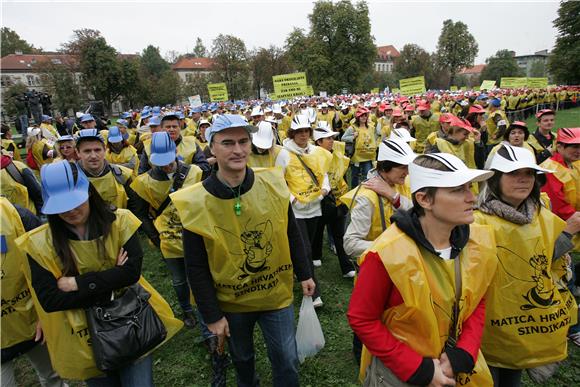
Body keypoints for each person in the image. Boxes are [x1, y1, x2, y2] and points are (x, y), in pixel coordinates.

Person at [171, 114, 315, 387]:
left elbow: (291, 232)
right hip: (232, 302)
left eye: (243, 141)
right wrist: (212, 316)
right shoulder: (195, 202)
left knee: (286, 358)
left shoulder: (273, 183)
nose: (237, 150)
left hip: (275, 296)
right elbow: (196, 266)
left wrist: (305, 273)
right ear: (211, 147)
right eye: (227, 143)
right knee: (242, 359)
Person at [16, 161, 182, 385]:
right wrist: (113, 278)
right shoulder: (39, 244)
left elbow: (131, 273)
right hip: (85, 339)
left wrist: (78, 284)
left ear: (89, 192)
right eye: (61, 206)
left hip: (131, 324)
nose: (70, 211)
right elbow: (51, 300)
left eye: (76, 202)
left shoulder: (119, 221)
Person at [348, 153, 497, 386]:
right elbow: (362, 318)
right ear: (425, 200)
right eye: (458, 190)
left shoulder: (477, 240)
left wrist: (465, 352)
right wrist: (418, 369)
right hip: (405, 374)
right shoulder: (386, 253)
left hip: (457, 367)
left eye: (470, 187)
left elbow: (477, 299)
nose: (472, 198)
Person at [475, 144, 579, 386]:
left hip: (526, 319)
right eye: (513, 174)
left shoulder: (541, 213)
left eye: (529, 174)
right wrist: (568, 235)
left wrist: (565, 238)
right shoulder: (477, 219)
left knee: (513, 375)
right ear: (495, 178)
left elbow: (544, 260)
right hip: (491, 323)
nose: (523, 180)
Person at [131, 132, 203, 329]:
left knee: (197, 274)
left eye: (168, 160)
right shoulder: (143, 182)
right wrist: (154, 235)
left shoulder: (195, 172)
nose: (165, 165)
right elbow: (140, 212)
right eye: (160, 161)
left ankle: (203, 307)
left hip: (195, 234)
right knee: (179, 279)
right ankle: (186, 309)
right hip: (168, 238)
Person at [1, 198, 65, 387]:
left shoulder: (15, 214)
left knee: (52, 376)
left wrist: (45, 315)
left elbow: (48, 260)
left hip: (32, 322)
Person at [276, 114, 331, 307]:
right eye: (299, 131)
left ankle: (295, 270)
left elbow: (323, 174)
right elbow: (279, 179)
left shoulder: (316, 151)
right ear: (292, 133)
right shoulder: (283, 153)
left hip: (314, 207)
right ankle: (314, 291)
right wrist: (292, 200)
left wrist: (324, 192)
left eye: (306, 131)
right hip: (296, 210)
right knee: (305, 249)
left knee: (307, 245)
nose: (303, 135)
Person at [341, 138, 415, 260]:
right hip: (380, 267)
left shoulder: (403, 182)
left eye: (408, 167)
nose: (407, 172)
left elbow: (420, 214)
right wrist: (391, 248)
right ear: (385, 167)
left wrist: (394, 197)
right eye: (402, 167)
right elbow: (350, 245)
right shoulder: (367, 197)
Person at [311, 121, 356, 278]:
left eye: (332, 138)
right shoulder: (311, 157)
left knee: (339, 233)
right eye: (328, 138)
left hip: (338, 199)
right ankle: (315, 255)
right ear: (318, 142)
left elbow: (342, 175)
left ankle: (346, 266)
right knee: (318, 229)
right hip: (321, 200)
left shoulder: (337, 154)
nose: (332, 141)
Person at [75, 129, 136, 210]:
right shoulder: (71, 179)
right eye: (87, 151)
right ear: (78, 153)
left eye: (97, 150)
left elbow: (136, 207)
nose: (93, 156)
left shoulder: (123, 175)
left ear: (104, 150)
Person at [139, 112, 210, 176]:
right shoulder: (148, 146)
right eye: (168, 127)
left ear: (180, 128)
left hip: (185, 187)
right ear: (162, 128)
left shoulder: (192, 143)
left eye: (174, 126)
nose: (171, 129)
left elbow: (205, 167)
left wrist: (181, 168)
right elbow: (142, 174)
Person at [341, 107, 377, 187]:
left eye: (365, 116)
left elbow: (373, 139)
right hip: (356, 156)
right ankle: (354, 190)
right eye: (362, 116)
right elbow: (343, 138)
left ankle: (366, 191)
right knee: (355, 175)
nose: (364, 117)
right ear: (358, 117)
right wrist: (353, 137)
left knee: (368, 175)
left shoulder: (371, 128)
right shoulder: (352, 128)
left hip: (368, 156)